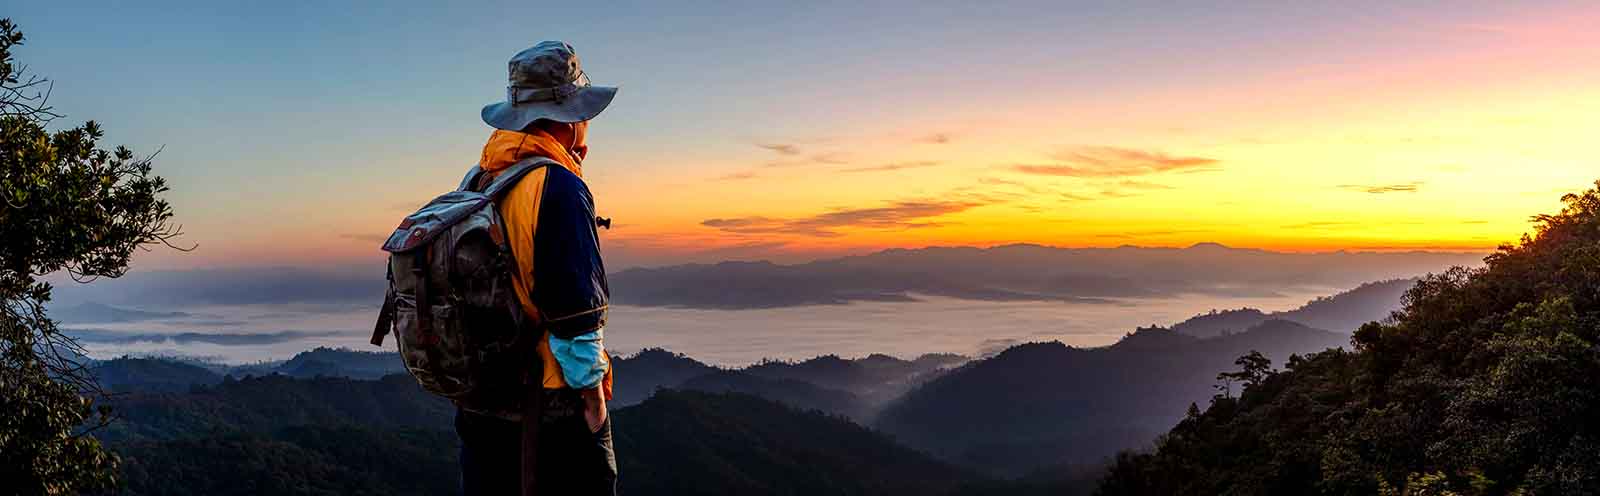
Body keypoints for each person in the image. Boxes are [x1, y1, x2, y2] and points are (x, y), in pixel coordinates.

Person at [454, 40, 619, 496]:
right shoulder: (558, 187)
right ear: (569, 118)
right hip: (545, 411)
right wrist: (594, 407)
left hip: (479, 403)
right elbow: (576, 317)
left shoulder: (477, 180)